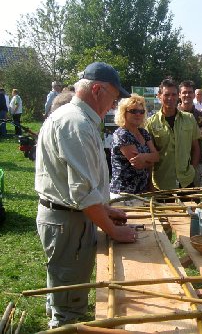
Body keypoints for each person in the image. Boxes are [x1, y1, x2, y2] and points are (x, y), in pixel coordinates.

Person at [35, 62, 137, 329]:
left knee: (63, 287)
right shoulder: (76, 124)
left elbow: (83, 187)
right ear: (96, 89)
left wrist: (105, 210)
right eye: (114, 98)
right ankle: (62, 325)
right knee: (68, 300)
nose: (114, 105)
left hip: (68, 216)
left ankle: (59, 316)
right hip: (68, 220)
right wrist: (115, 232)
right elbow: (81, 193)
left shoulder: (74, 118)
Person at [146, 78, 201, 190]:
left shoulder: (189, 119)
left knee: (190, 208)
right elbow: (149, 156)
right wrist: (150, 183)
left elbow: (196, 148)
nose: (170, 98)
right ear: (159, 96)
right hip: (162, 184)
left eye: (174, 94)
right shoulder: (151, 123)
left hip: (186, 181)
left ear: (178, 96)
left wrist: (192, 169)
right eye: (166, 95)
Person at [110, 94, 159, 198]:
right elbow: (138, 165)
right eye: (133, 111)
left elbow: (157, 156)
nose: (138, 114)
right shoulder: (122, 134)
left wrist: (144, 157)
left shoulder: (143, 132)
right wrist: (150, 160)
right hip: (123, 194)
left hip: (142, 192)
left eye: (141, 112)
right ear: (124, 112)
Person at [178, 80, 202, 187]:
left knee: (196, 194)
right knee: (178, 196)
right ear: (179, 94)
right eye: (184, 92)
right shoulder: (174, 113)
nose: (187, 95)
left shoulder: (200, 115)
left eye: (190, 92)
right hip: (177, 160)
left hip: (198, 160)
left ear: (194, 95)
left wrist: (185, 132)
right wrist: (197, 131)